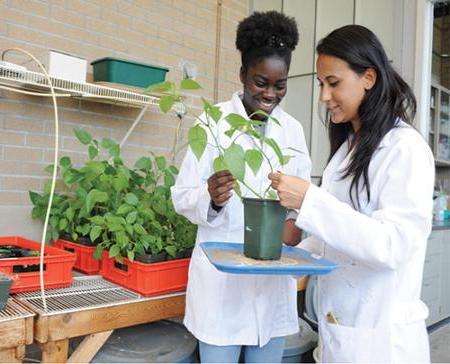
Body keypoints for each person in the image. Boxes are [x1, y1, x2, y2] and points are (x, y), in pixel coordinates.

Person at [269, 24, 434, 363]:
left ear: (368, 78)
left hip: (381, 342)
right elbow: (333, 236)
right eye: (320, 84)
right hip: (342, 336)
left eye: (333, 83)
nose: (324, 97)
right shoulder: (347, 151)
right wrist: (291, 254)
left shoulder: (404, 148)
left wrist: (309, 201)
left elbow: (392, 245)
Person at [171, 10, 312, 363]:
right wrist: (211, 198)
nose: (270, 94)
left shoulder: (291, 130)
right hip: (222, 293)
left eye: (280, 85)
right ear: (242, 75)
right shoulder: (213, 122)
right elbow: (181, 196)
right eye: (260, 82)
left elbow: (303, 195)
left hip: (272, 285)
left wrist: (294, 219)